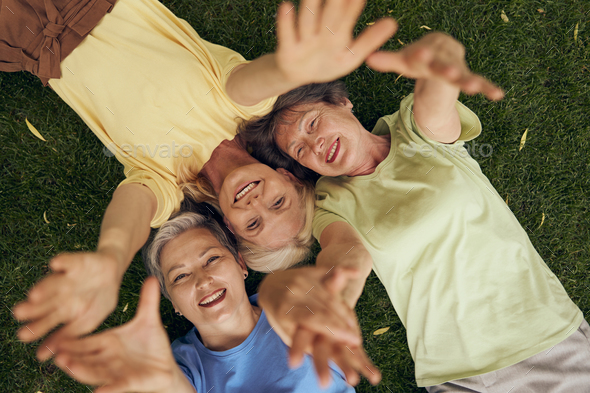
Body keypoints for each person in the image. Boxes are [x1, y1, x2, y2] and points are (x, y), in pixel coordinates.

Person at [6, 0, 398, 360]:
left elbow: (135, 207)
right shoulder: (240, 106)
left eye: (253, 224)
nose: (255, 203)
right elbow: (258, 79)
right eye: (278, 202)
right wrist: (292, 69)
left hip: (28, 37)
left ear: (229, 225)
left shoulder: (166, 177)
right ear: (286, 175)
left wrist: (111, 258)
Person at [240, 32, 590, 391]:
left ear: (342, 102)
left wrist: (440, 58)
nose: (315, 144)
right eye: (300, 150)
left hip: (545, 343)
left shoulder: (412, 129)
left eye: (312, 124)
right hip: (455, 377)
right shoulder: (332, 201)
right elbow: (346, 253)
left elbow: (436, 95)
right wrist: (335, 294)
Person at [50, 203, 381, 392]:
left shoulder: (291, 311)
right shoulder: (184, 365)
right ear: (174, 305)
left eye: (211, 259)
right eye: (180, 276)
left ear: (240, 264)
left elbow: (349, 255)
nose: (203, 280)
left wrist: (339, 292)